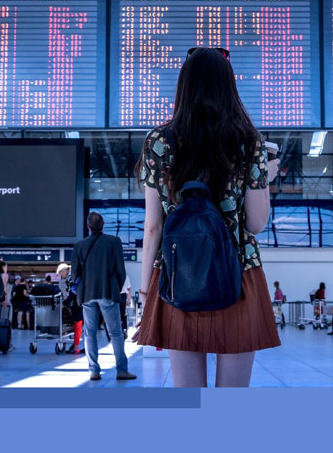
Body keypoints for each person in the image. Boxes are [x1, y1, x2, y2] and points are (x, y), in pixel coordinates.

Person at [133, 47, 281, 388]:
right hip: (239, 274)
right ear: (228, 86)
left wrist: (145, 290)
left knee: (189, 396)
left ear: (183, 86)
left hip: (176, 275)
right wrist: (264, 179)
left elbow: (153, 226)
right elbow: (256, 224)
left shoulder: (159, 141)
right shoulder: (249, 142)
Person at [70, 212, 136, 381]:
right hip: (108, 292)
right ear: (103, 224)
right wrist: (117, 288)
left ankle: (94, 371)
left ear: (88, 226)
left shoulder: (79, 246)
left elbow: (74, 273)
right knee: (115, 333)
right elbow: (121, 270)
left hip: (87, 295)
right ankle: (121, 370)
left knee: (89, 333)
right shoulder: (114, 242)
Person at [56, 263, 82, 354]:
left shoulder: (72, 276)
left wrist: (65, 303)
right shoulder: (72, 275)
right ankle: (76, 345)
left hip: (78, 302)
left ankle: (76, 347)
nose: (60, 276)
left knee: (77, 323)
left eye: (60, 273)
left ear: (64, 270)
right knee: (78, 324)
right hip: (80, 301)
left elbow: (74, 291)